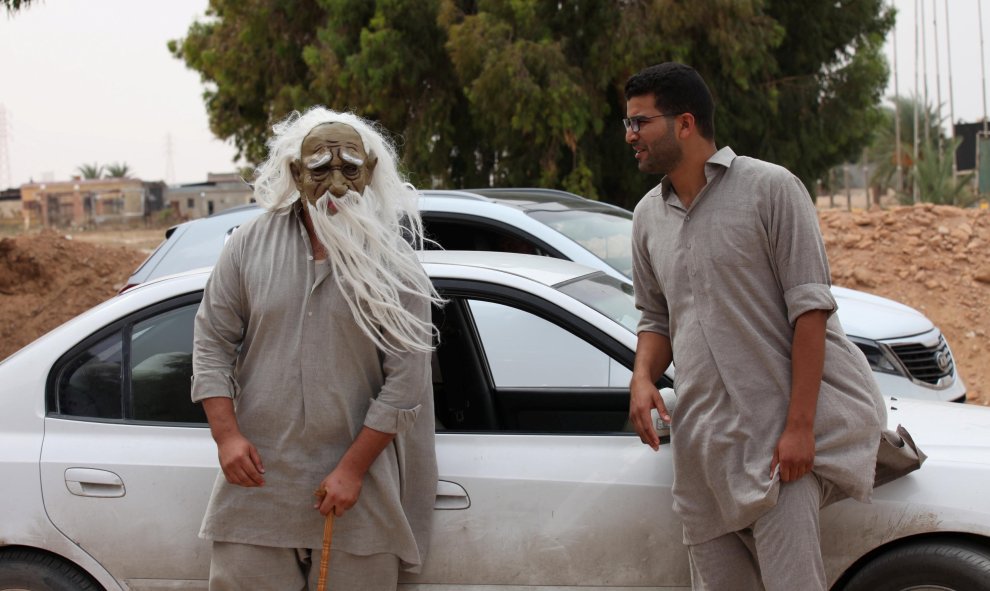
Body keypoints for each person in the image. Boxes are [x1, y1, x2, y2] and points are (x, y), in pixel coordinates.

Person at [624, 63, 888, 590]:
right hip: (702, 453)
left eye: (641, 122)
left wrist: (799, 429)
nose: (630, 136)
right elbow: (657, 320)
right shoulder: (646, 217)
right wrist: (642, 377)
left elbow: (810, 313)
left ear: (685, 123)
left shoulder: (771, 189)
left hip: (777, 447)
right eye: (626, 124)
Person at [192, 106, 441, 590]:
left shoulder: (396, 262)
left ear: (369, 172)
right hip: (258, 489)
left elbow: (407, 381)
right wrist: (226, 436)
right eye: (320, 169)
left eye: (349, 168)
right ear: (295, 173)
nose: (336, 183)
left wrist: (351, 471)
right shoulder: (247, 245)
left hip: (359, 493)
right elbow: (211, 341)